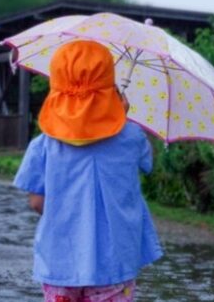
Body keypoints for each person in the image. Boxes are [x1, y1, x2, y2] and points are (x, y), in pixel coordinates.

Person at [14, 40, 163, 302]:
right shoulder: (131, 137)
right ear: (110, 88)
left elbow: (37, 201)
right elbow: (147, 162)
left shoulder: (44, 144)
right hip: (114, 263)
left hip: (59, 260)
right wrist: (121, 119)